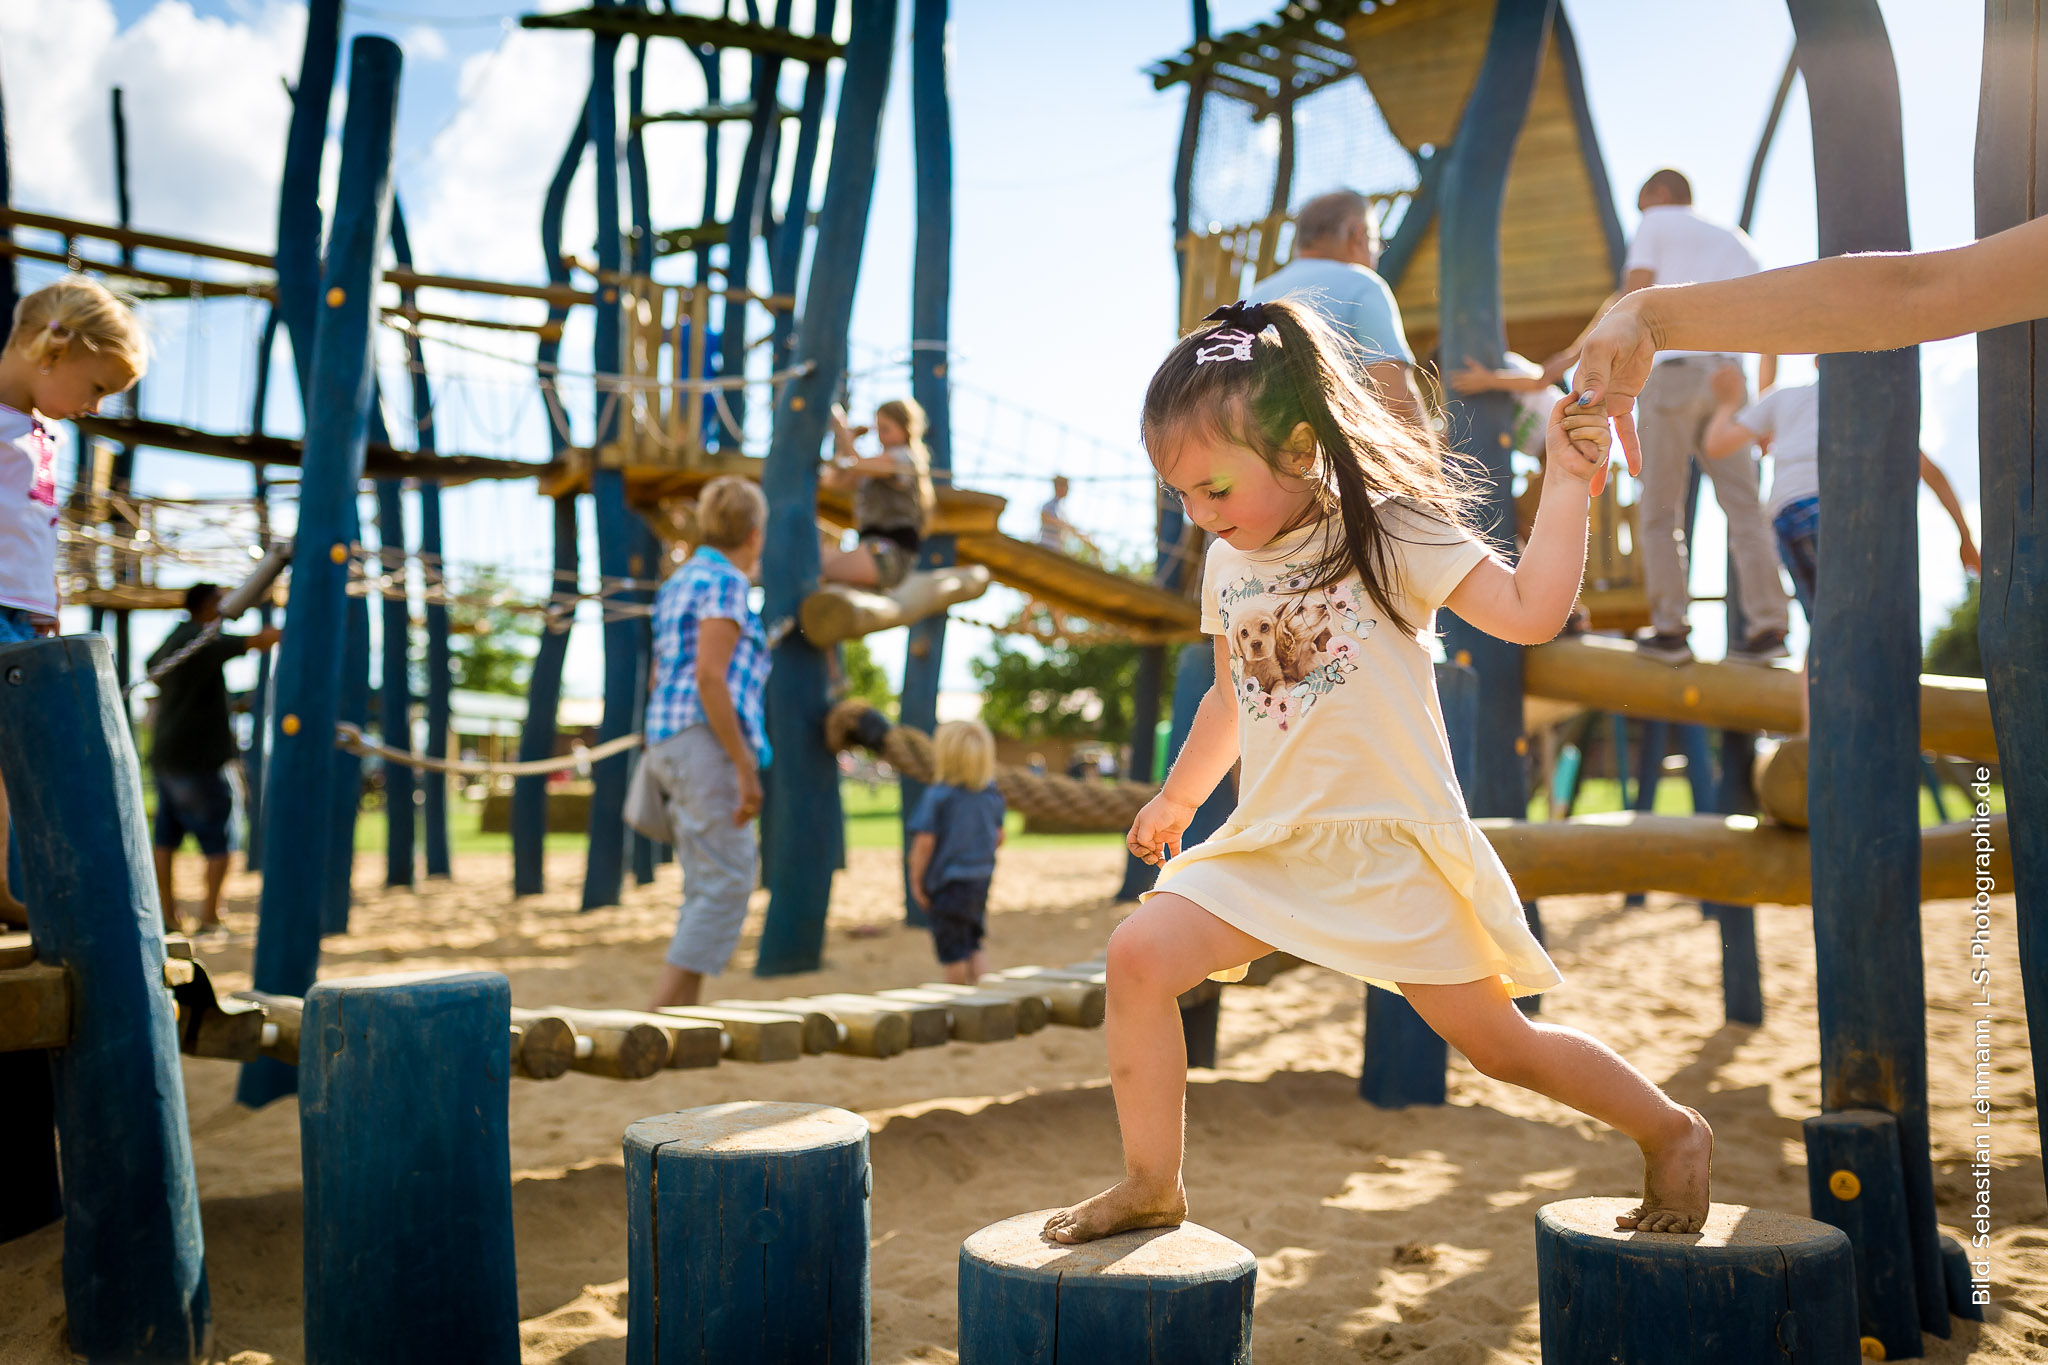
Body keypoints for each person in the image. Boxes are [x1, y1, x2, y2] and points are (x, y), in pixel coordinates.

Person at [1040, 297, 1712, 1248]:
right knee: (1138, 955)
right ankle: (1152, 1181)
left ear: (1301, 447)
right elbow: (1233, 695)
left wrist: (1567, 483)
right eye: (1181, 495)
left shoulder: (1388, 533)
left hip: (1390, 844)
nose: (1200, 514)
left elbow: (1528, 610)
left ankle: (1672, 1129)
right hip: (1273, 842)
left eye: (1216, 488)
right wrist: (1178, 796)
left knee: (1500, 1047)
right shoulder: (1227, 562)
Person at [1574, 212, 2048, 458]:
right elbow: (1913, 294)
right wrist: (1653, 318)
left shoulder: (1658, 223)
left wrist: (1653, 316)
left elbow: (1912, 294)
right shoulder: (1736, 242)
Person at [0, 278, 147, 927]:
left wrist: (45, 601)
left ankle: (2, 884)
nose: (94, 406)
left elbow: (34, 530)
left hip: (20, 616)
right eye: (96, 388)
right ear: (52, 354)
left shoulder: (43, 436)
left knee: (12, 761)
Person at [1702, 367, 1980, 621]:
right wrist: (1965, 538)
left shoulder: (1784, 397)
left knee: (1824, 628)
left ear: (1816, 361)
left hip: (1786, 513)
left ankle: (1814, 673)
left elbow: (1715, 445)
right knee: (1862, 620)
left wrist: (1727, 403)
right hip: (1834, 507)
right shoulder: (1873, 402)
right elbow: (1931, 473)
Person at [643, 476, 772, 1009]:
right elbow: (710, 678)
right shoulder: (726, 584)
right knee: (729, 878)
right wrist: (744, 766)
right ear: (754, 535)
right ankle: (656, 1015)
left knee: (704, 879)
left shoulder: (678, 581)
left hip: (667, 738)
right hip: (704, 741)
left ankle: (681, 1014)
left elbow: (660, 675)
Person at [148, 583, 281, 934]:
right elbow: (257, 641)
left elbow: (150, 665)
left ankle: (168, 914)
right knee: (221, 835)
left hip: (166, 753)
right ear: (208, 604)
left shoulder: (175, 637)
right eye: (220, 601)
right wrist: (297, 625)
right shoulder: (200, 640)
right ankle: (210, 915)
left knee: (165, 837)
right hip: (202, 756)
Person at [1245, 189, 1425, 427]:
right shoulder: (1363, 283)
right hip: (1328, 455)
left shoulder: (1255, 296)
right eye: (1376, 243)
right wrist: (1430, 461)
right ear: (1358, 234)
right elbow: (1396, 400)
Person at [906, 719, 1006, 985]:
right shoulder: (991, 795)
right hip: (980, 879)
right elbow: (999, 837)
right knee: (973, 942)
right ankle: (987, 998)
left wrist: (916, 880)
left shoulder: (939, 796)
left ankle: (958, 1005)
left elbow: (925, 843)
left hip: (949, 884)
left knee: (954, 953)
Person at [821, 398, 936, 591]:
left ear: (905, 429)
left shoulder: (903, 457)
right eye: (878, 430)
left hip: (890, 553)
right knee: (818, 559)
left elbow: (855, 466)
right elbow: (830, 481)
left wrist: (843, 433)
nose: (881, 437)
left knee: (814, 567)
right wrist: (846, 444)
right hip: (872, 547)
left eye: (886, 429)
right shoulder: (873, 467)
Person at [1038, 475, 1073, 550]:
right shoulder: (1049, 505)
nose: (1067, 490)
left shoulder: (1061, 509)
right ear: (1058, 487)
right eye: (1065, 487)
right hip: (1046, 546)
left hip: (1056, 548)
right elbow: (1044, 518)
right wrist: (1063, 524)